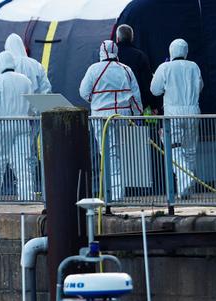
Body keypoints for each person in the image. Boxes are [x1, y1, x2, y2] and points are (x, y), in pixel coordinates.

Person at [79, 40, 142, 201]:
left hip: (101, 115)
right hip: (122, 114)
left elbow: (84, 92)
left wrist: (96, 101)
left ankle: (114, 192)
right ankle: (116, 190)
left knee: (108, 153)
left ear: (101, 52)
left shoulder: (93, 69)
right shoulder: (126, 69)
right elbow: (136, 96)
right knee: (119, 152)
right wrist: (138, 115)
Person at [150, 38, 203, 199]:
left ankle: (185, 180)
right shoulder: (194, 66)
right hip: (193, 110)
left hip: (173, 112)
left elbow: (155, 90)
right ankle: (186, 189)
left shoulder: (165, 67)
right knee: (190, 150)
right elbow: (200, 87)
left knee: (174, 147)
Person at [0, 51, 33, 201]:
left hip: (2, 126)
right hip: (23, 125)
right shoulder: (26, 81)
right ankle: (26, 196)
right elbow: (32, 107)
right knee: (23, 162)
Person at [114, 24, 155, 113]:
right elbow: (147, 82)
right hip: (137, 106)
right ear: (132, 38)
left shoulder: (112, 57)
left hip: (113, 106)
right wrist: (153, 105)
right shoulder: (140, 56)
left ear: (117, 38)